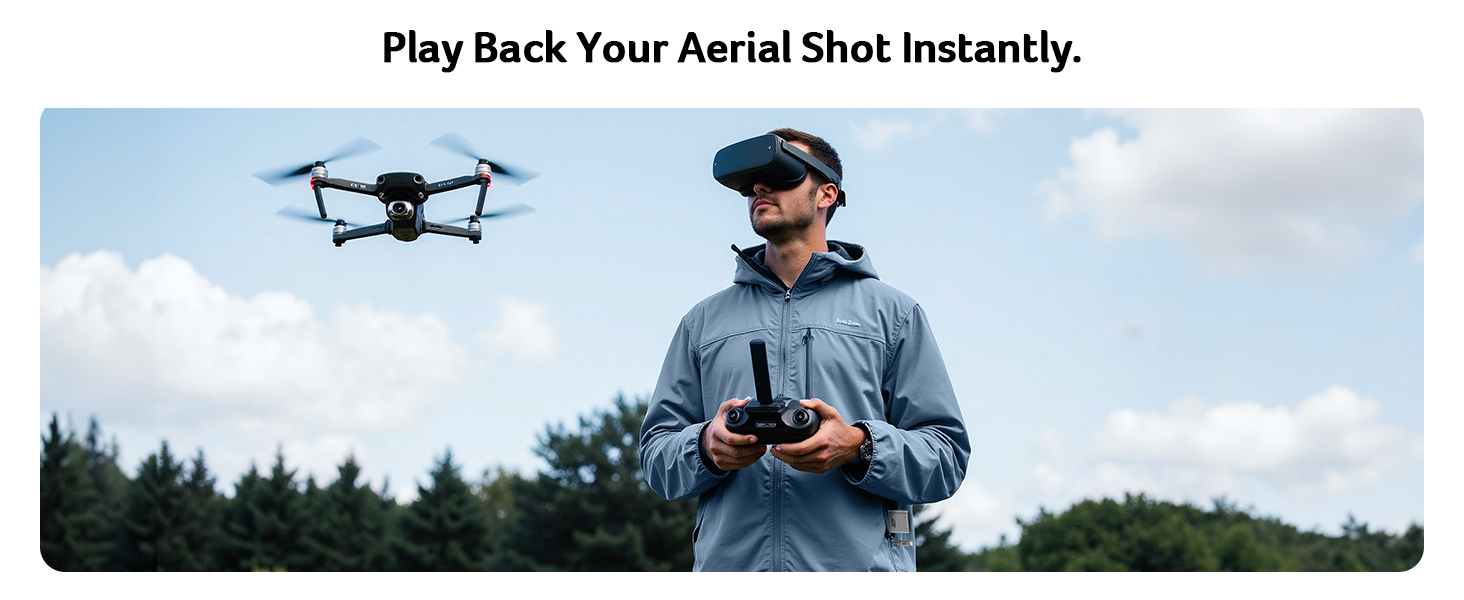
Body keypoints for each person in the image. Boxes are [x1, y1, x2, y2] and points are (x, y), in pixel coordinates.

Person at [639, 128, 969, 571]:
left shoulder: (894, 314)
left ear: (826, 194)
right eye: (752, 182)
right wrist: (705, 445)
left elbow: (946, 456)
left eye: (781, 173)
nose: (759, 187)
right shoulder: (703, 322)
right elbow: (656, 455)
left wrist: (858, 445)